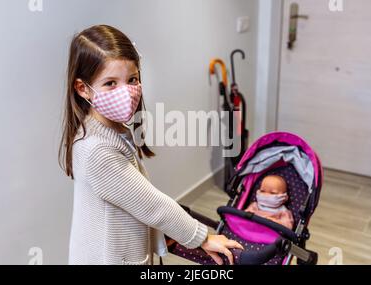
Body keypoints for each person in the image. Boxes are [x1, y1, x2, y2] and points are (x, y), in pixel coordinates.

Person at [58, 25, 243, 265]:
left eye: (132, 79)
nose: (126, 92)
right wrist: (203, 237)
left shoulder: (110, 130)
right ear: (83, 88)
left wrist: (158, 235)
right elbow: (152, 205)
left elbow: (133, 200)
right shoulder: (97, 151)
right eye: (111, 83)